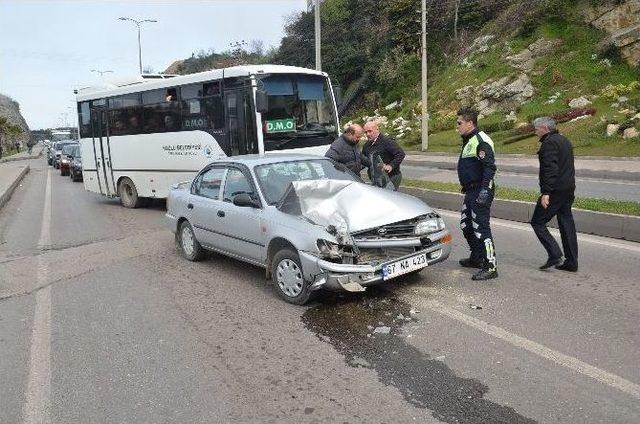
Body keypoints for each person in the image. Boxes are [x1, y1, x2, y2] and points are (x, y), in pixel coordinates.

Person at [530, 117, 578, 272]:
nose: (535, 131)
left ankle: (555, 253)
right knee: (566, 222)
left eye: (537, 129)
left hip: (555, 191)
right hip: (568, 189)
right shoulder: (564, 140)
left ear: (545, 128)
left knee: (537, 222)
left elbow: (550, 169)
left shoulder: (549, 143)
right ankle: (571, 261)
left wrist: (546, 192)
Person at [456, 108, 498, 281]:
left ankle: (491, 266)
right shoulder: (469, 140)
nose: (457, 127)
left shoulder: (481, 140)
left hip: (481, 190)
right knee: (466, 225)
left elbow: (489, 167)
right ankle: (477, 257)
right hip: (471, 190)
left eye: (459, 123)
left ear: (470, 123)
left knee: (481, 228)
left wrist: (484, 190)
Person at [361, 120, 405, 190]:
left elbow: (400, 154)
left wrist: (391, 166)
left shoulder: (387, 141)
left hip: (391, 177)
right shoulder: (366, 145)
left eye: (370, 131)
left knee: (389, 198)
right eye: (366, 132)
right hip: (376, 178)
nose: (368, 134)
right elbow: (364, 160)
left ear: (377, 129)